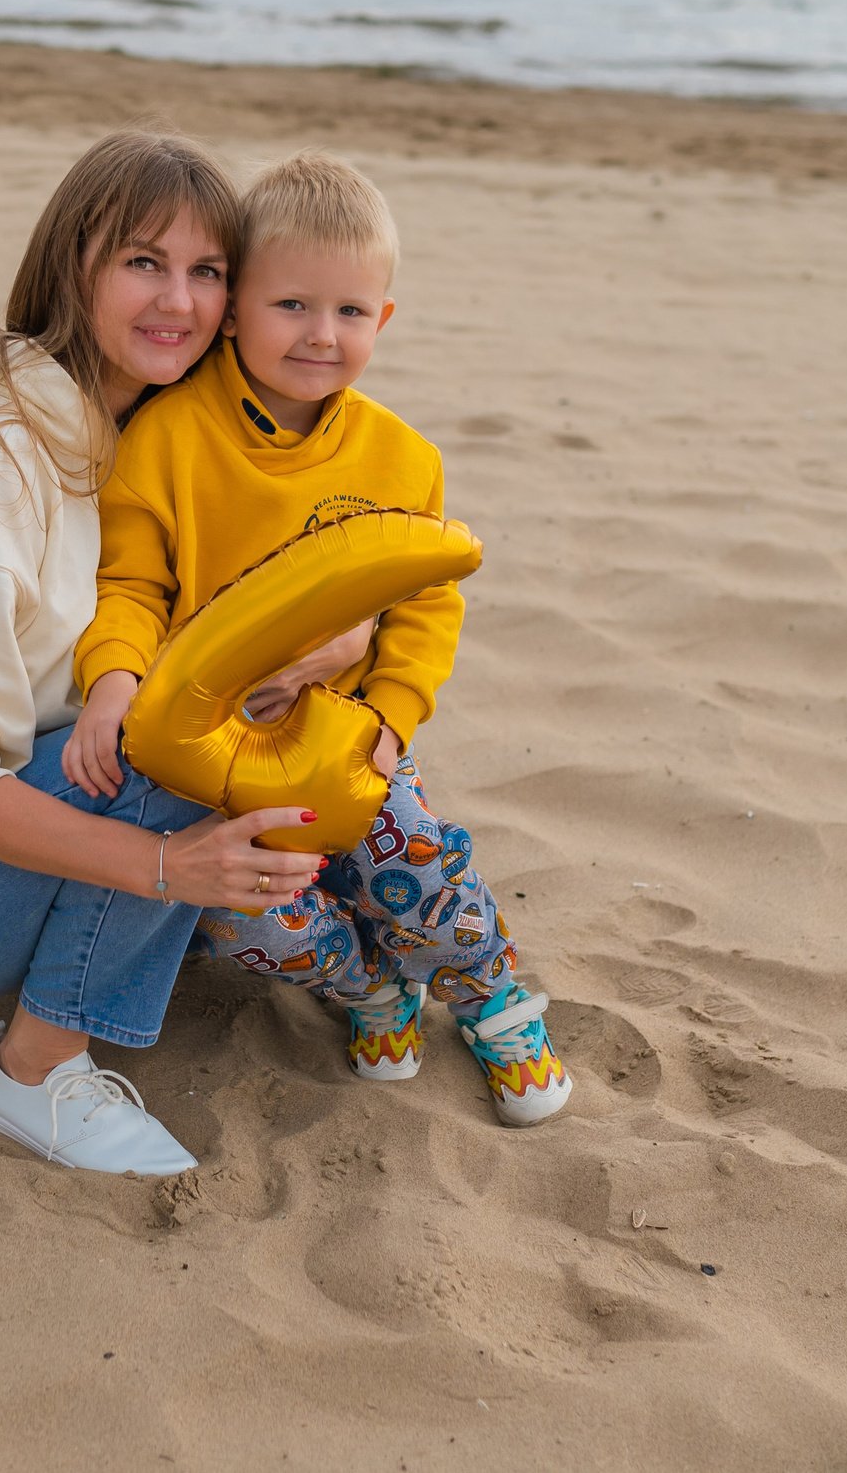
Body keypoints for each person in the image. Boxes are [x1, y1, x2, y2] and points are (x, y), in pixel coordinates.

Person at [0, 130, 329, 1179]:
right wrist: (165, 867)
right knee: (176, 737)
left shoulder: (145, 439)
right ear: (70, 265)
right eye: (142, 261)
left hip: (18, 818)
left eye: (207, 271)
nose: (177, 300)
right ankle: (33, 1070)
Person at [62, 150, 573, 1127]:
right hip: (213, 756)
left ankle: (494, 1001)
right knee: (243, 914)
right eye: (290, 304)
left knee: (418, 868)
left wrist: (392, 714)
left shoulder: (401, 456)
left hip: (346, 734)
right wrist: (112, 680)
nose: (320, 334)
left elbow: (426, 603)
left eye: (349, 311)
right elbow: (128, 584)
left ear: (384, 318)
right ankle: (368, 992)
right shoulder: (165, 438)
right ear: (234, 308)